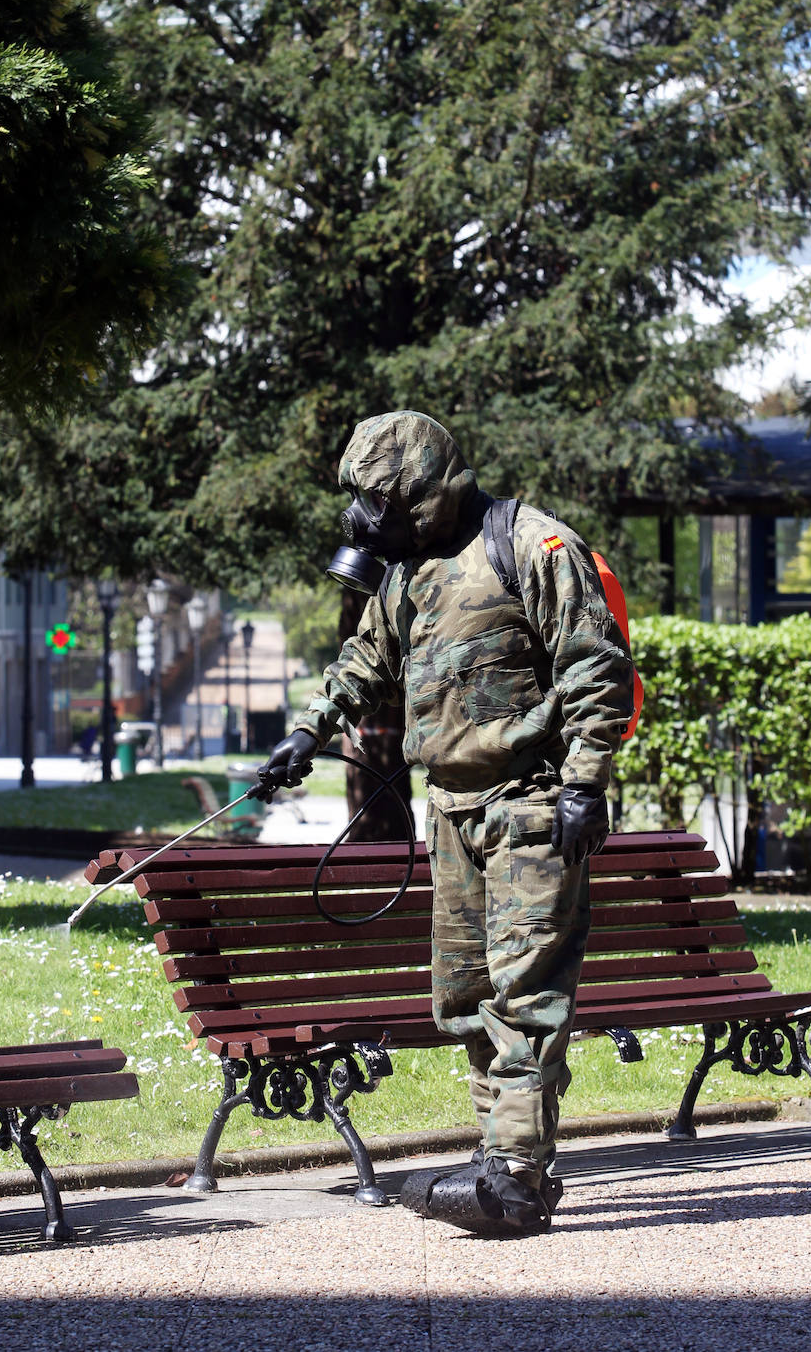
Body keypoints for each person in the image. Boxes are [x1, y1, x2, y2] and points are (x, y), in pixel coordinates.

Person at [256, 410, 634, 1236]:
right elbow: (368, 657)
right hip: (451, 809)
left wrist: (584, 782)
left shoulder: (532, 546)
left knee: (524, 995)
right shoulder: (407, 570)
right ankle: (502, 1156)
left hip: (531, 803)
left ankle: (514, 1173)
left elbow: (595, 668)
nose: (368, 520)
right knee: (465, 998)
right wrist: (308, 732)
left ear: (426, 490)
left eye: (381, 503)